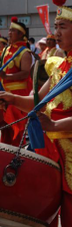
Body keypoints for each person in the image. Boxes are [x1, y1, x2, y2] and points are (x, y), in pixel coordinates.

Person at [0, 0, 72, 227]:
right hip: (51, 143)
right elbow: (37, 101)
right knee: (45, 205)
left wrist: (55, 125)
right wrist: (11, 98)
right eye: (56, 26)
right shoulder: (61, 65)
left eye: (63, 27)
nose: (56, 32)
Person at [0, 17, 32, 146]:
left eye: (12, 30)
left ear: (20, 34)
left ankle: (16, 155)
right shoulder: (7, 50)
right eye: (9, 30)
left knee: (16, 127)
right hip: (4, 91)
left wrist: (6, 77)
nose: (9, 33)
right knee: (5, 126)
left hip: (17, 94)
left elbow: (26, 72)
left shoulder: (25, 52)